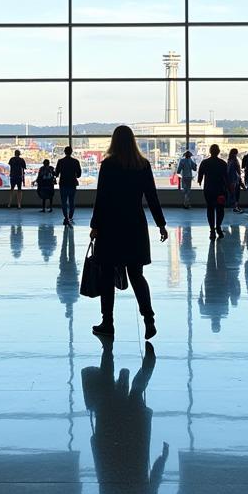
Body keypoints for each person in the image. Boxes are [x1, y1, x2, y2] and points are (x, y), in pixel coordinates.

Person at [81, 341, 168, 494]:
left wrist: (162, 459)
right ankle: (111, 359)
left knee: (137, 393)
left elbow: (154, 481)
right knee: (110, 397)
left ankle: (142, 369)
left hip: (134, 446)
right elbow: (103, 475)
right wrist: (96, 443)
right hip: (111, 443)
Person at [89, 125, 168, 339]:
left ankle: (108, 323)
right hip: (135, 226)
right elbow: (152, 197)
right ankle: (149, 319)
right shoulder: (142, 165)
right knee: (136, 275)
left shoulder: (108, 165)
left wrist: (94, 225)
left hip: (110, 226)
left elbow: (101, 198)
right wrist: (161, 224)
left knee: (106, 275)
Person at [197, 144, 229, 241]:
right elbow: (226, 177)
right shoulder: (223, 163)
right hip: (220, 190)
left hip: (209, 189)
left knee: (210, 209)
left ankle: (212, 230)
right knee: (220, 209)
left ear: (210, 151)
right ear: (218, 152)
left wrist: (200, 181)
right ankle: (218, 227)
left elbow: (200, 175)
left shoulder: (205, 162)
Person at [55, 145, 82, 226]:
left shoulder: (60, 161)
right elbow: (79, 175)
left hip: (63, 184)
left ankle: (66, 218)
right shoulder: (76, 161)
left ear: (64, 152)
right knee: (71, 201)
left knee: (63, 202)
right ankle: (70, 217)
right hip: (72, 183)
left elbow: (56, 174)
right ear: (71, 152)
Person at [226, 148, 243, 212]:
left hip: (232, 180)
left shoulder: (229, 160)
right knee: (236, 194)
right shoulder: (234, 161)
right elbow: (236, 171)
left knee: (234, 194)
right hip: (235, 180)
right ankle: (236, 206)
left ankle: (235, 206)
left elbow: (228, 172)